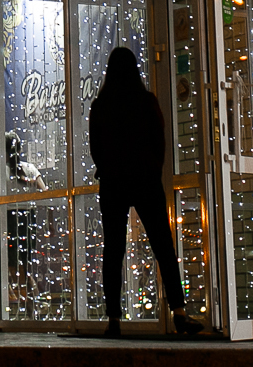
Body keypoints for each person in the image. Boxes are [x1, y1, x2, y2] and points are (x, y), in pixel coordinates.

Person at [87, 46, 202, 337]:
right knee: (163, 246)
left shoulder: (101, 105)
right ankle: (179, 313)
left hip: (113, 182)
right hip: (145, 180)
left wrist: (107, 167)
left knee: (113, 251)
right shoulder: (146, 101)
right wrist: (152, 169)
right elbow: (159, 141)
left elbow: (95, 148)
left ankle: (114, 319)